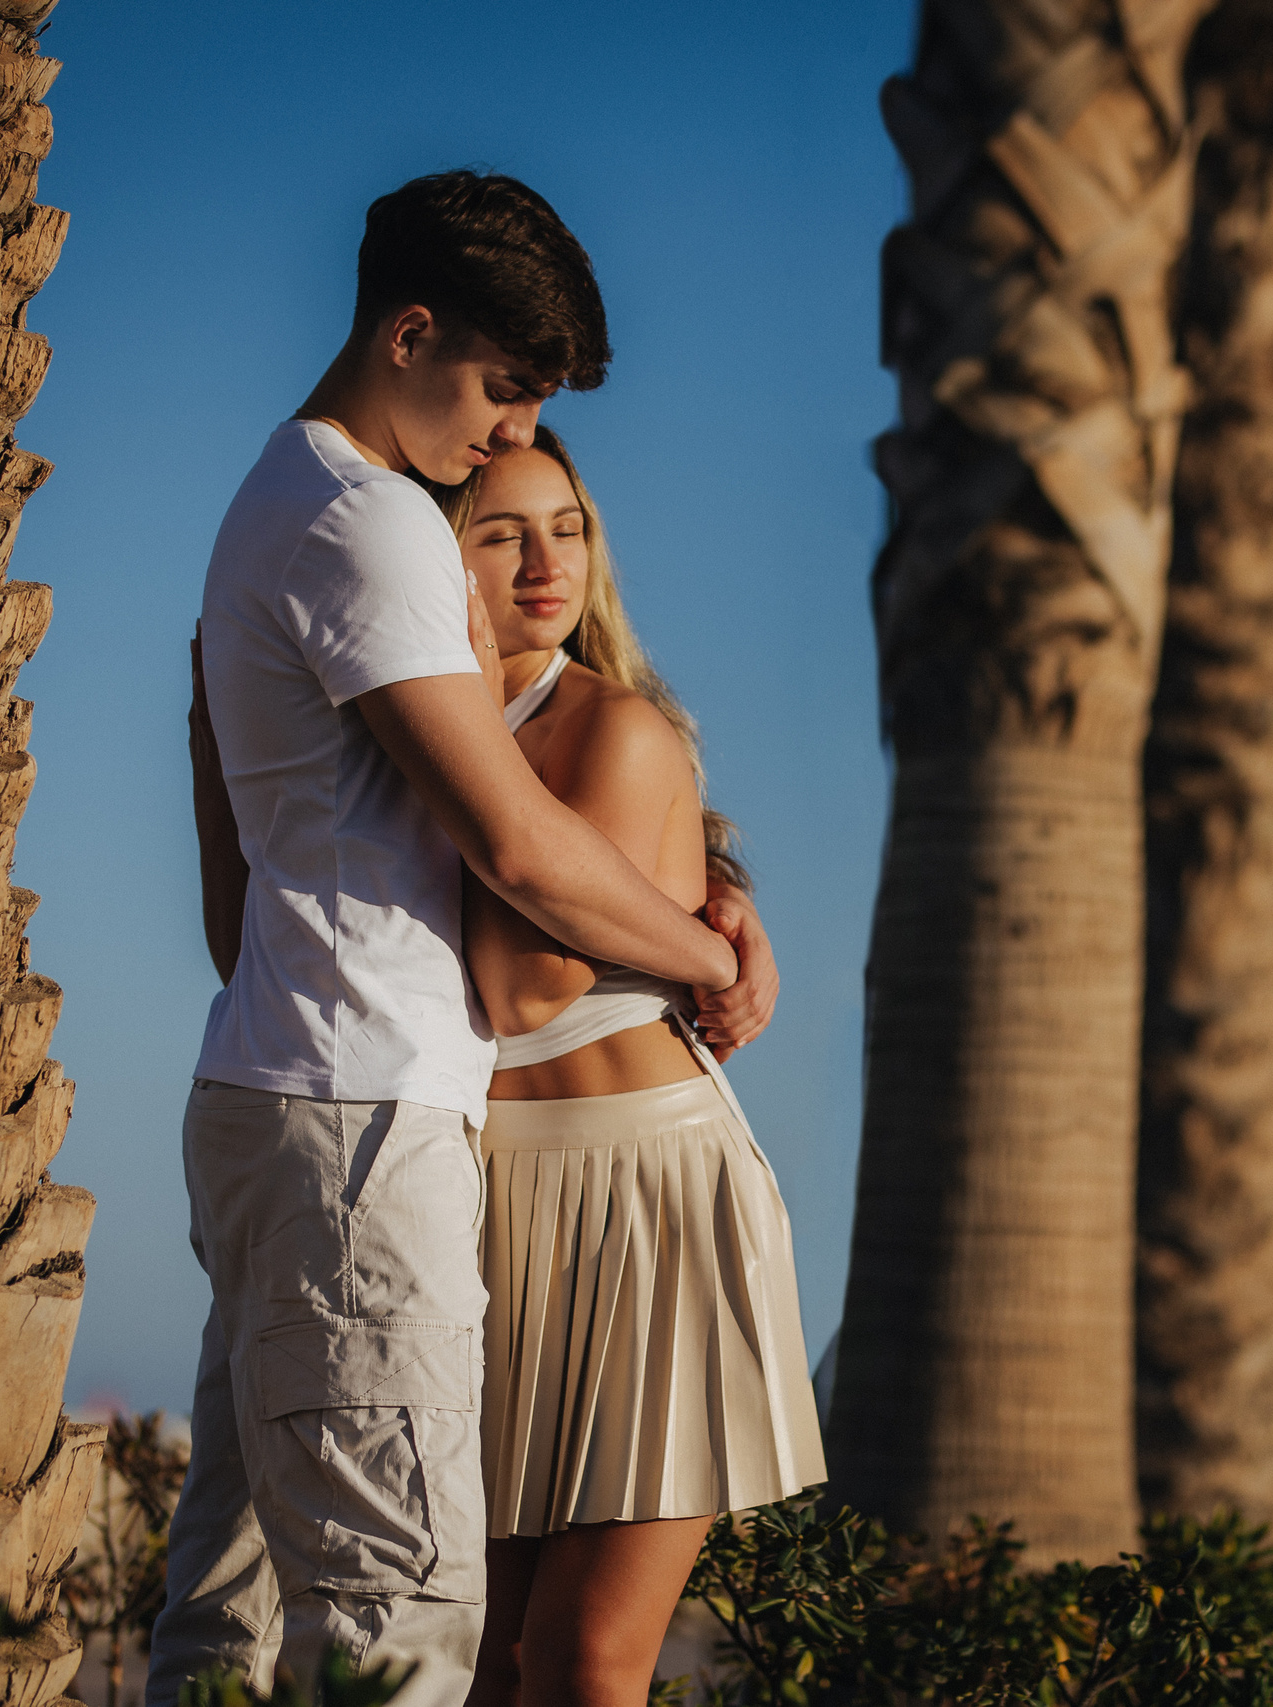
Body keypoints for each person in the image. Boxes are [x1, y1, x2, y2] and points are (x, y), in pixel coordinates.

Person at [152, 171, 778, 1707]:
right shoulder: (368, 523)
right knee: (400, 1625)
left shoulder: (273, 496)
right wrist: (708, 948)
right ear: (407, 330)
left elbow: (236, 895)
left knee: (225, 1614)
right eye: (501, 393)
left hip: (271, 1088)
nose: (506, 434)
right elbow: (513, 844)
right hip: (360, 1120)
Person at [443, 429, 824, 1707]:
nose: (546, 560)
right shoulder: (419, 731)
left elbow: (525, 981)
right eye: (502, 531)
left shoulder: (613, 725)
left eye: (567, 527)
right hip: (494, 1202)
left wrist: (707, 936)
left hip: (649, 1206)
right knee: (485, 1663)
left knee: (586, 1660)